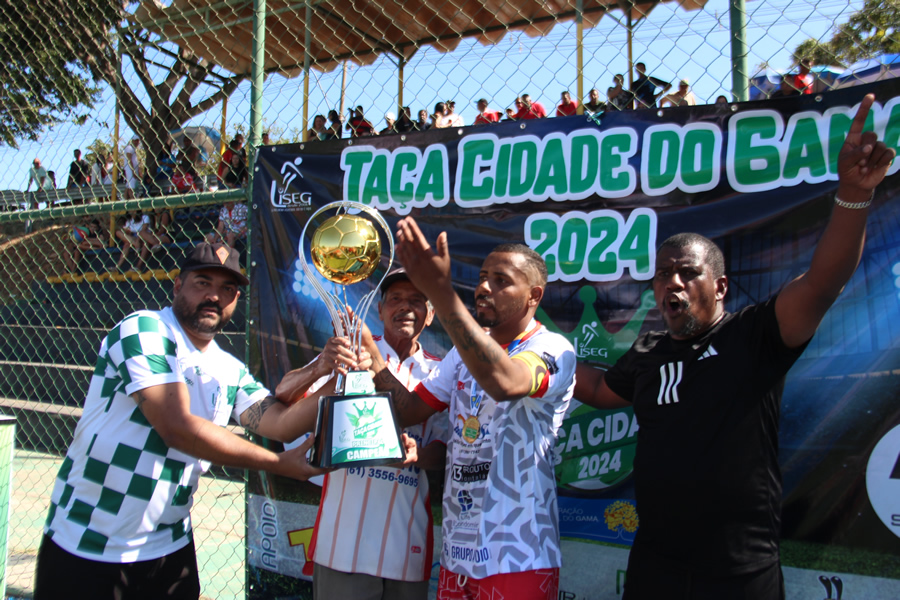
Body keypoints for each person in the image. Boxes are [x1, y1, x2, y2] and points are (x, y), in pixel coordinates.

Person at [574, 94, 894, 599]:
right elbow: (596, 389)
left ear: (720, 286)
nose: (672, 282)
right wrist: (531, 349)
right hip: (654, 566)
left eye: (687, 272)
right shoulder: (649, 351)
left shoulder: (755, 334)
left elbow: (822, 283)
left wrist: (853, 195)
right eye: (662, 275)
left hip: (738, 572)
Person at [32, 242, 350, 600]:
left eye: (227, 288)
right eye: (203, 283)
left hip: (168, 546)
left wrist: (339, 377)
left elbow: (279, 422)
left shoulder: (228, 368)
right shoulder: (145, 329)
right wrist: (278, 463)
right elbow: (176, 428)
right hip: (86, 543)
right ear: (177, 286)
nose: (214, 296)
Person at [363, 228, 575, 600]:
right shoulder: (460, 353)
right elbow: (409, 410)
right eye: (482, 278)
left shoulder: (554, 349)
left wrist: (442, 295)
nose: (484, 288)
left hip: (520, 555)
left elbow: (505, 382)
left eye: (501, 281)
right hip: (458, 556)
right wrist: (374, 360)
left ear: (534, 296)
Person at [278, 269, 447, 600]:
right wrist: (320, 367)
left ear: (430, 314)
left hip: (406, 544)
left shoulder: (439, 372)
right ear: (380, 310)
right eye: (395, 299)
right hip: (342, 545)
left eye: (416, 300)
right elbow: (283, 394)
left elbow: (447, 450)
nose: (405, 306)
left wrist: (418, 455)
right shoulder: (352, 351)